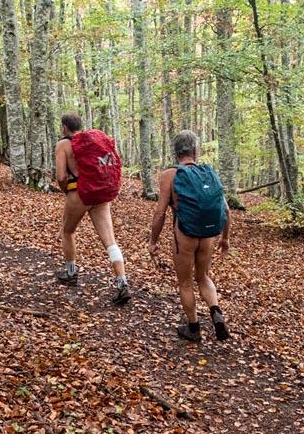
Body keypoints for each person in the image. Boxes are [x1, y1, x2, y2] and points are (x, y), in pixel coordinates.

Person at [149, 130, 230, 342]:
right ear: (195, 151)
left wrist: (153, 241)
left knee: (185, 282)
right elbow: (226, 210)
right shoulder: (208, 174)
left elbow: (160, 213)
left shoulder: (170, 175)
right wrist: (225, 238)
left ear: (176, 153)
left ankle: (193, 328)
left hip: (184, 234)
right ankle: (216, 311)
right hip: (208, 234)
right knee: (203, 276)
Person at [54, 113, 131, 305]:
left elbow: (61, 176)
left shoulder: (63, 145)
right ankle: (122, 281)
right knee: (110, 240)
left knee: (67, 231)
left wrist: (66, 191)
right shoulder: (93, 141)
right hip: (100, 193)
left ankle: (71, 272)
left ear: (64, 127)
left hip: (79, 193)